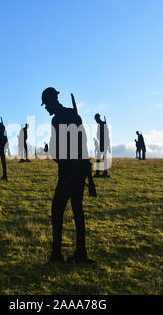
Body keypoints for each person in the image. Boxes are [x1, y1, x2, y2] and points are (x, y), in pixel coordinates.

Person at [41, 87, 96, 264]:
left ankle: (57, 255)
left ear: (51, 101)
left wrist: (57, 157)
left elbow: (58, 149)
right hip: (79, 170)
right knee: (77, 210)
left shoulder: (57, 119)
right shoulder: (73, 114)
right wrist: (88, 175)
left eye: (46, 104)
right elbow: (84, 144)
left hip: (68, 171)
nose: (45, 108)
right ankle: (81, 253)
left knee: (57, 210)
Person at [93, 113, 110, 178]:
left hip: (103, 143)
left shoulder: (102, 124)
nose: (96, 121)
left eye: (96, 119)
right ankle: (103, 173)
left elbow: (105, 134)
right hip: (103, 142)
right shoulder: (101, 124)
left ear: (98, 118)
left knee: (100, 158)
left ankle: (100, 173)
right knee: (103, 158)